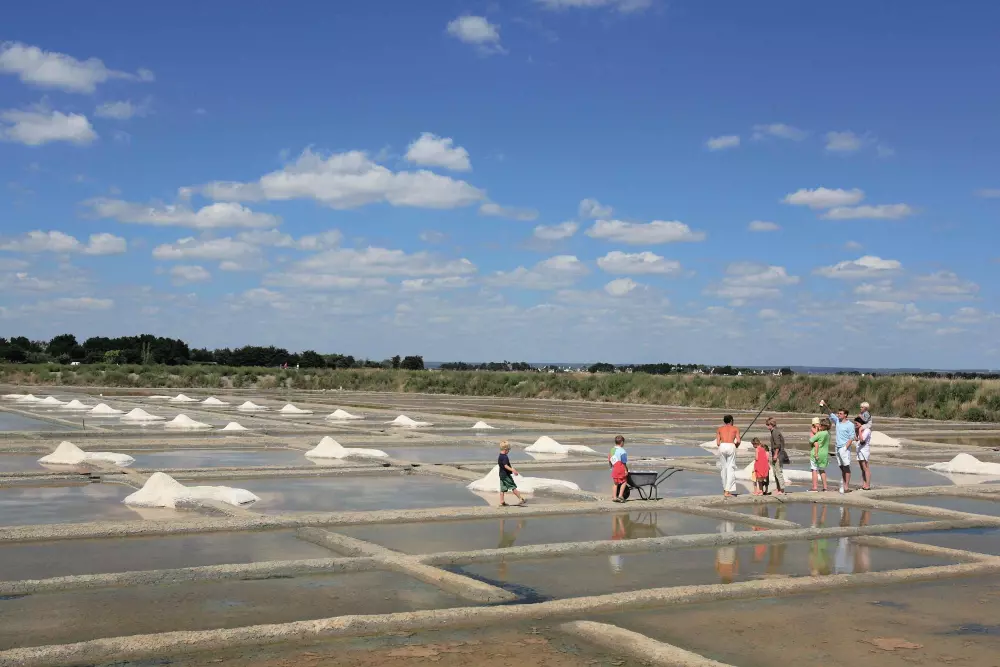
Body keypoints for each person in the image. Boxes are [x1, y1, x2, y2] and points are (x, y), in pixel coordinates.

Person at [820, 400, 855, 493]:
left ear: (845, 415)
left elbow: (852, 437)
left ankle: (846, 487)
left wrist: (845, 448)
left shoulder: (850, 425)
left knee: (846, 467)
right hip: (837, 447)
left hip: (845, 448)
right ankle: (843, 484)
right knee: (841, 467)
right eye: (838, 413)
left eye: (840, 413)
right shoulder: (837, 421)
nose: (838, 415)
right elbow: (830, 413)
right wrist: (825, 404)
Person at [715, 415, 741, 498]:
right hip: (731, 446)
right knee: (730, 468)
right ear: (731, 421)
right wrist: (736, 445)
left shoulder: (719, 429)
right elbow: (739, 441)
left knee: (724, 468)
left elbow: (718, 443)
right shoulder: (735, 428)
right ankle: (727, 491)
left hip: (722, 446)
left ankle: (725, 489)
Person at [497, 441, 525, 507]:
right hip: (506, 475)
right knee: (513, 487)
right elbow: (505, 466)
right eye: (508, 450)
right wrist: (513, 470)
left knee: (502, 488)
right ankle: (521, 499)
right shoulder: (505, 457)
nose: (509, 451)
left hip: (501, 474)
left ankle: (502, 501)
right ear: (505, 449)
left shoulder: (500, 456)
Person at [850, 416, 873, 490]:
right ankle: (864, 484)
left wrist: (859, 430)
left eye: (856, 423)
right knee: (862, 468)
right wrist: (857, 431)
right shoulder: (858, 430)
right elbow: (857, 439)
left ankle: (868, 485)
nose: (855, 424)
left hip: (864, 451)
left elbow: (862, 440)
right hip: (859, 450)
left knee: (866, 468)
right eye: (855, 423)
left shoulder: (867, 430)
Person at [765, 417, 787, 494]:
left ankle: (782, 490)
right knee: (775, 473)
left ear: (771, 424)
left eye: (767, 425)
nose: (767, 426)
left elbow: (778, 445)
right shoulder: (774, 431)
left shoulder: (775, 432)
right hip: (776, 454)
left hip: (778, 455)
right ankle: (778, 488)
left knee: (778, 472)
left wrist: (775, 455)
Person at [809, 417, 830, 492]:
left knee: (814, 469)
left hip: (816, 453)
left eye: (820, 425)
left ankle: (815, 487)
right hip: (824, 454)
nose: (819, 426)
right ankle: (825, 487)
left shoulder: (820, 434)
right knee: (822, 470)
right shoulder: (827, 433)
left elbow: (811, 440)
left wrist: (815, 432)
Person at [609, 435, 629, 503]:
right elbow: (624, 462)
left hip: (614, 468)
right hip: (620, 468)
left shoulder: (612, 450)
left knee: (615, 483)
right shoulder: (622, 451)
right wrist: (626, 470)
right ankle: (620, 495)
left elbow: (609, 460)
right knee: (624, 481)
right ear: (622, 442)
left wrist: (611, 467)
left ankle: (614, 497)